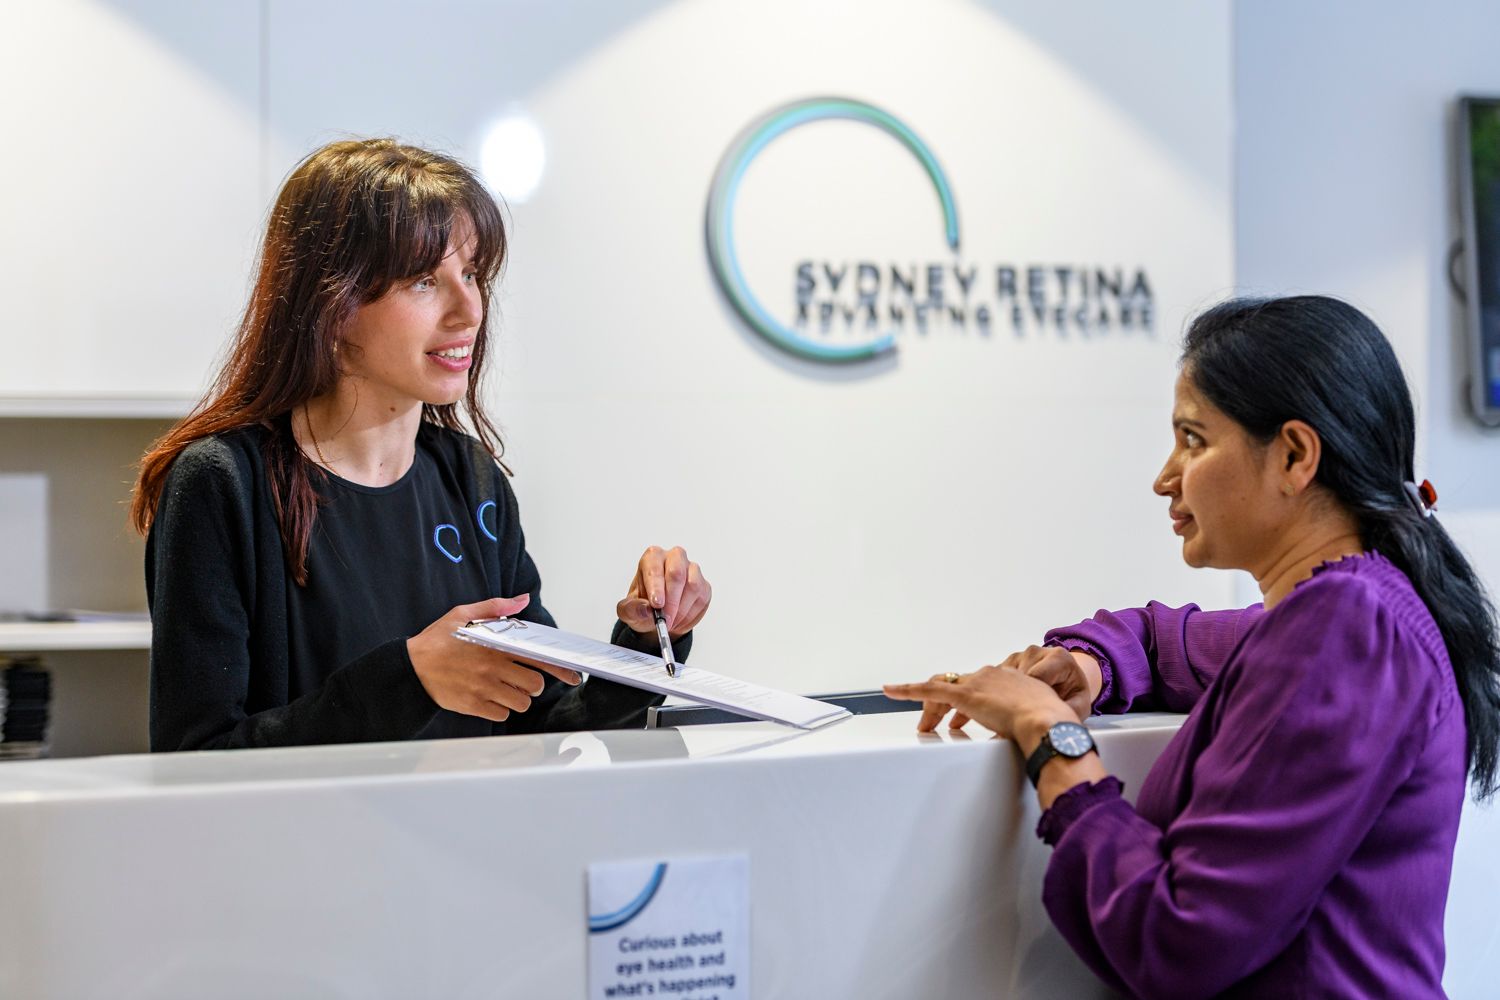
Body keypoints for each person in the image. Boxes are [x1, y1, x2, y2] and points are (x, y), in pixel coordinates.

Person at [885, 296, 1500, 998]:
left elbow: (1180, 940)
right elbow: (1158, 638)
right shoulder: (1348, 610)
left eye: (1193, 440)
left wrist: (1048, 736)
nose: (1165, 477)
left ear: (1294, 456)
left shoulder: (1346, 627)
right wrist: (1088, 664)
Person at [131, 138, 711, 751]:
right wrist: (409, 681)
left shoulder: (472, 477)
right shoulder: (221, 483)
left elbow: (540, 722)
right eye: (422, 281)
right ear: (333, 303)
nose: (469, 311)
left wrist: (648, 644)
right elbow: (194, 757)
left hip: (463, 843)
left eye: (472, 275)